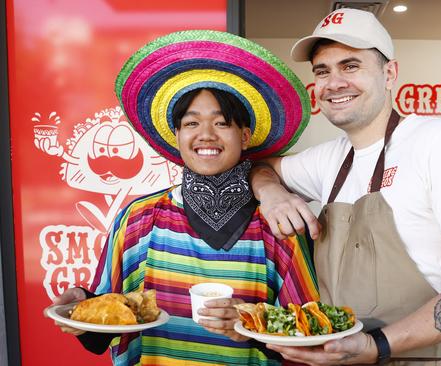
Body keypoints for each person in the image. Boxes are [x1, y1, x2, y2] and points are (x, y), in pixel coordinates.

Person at [249, 8, 441, 365]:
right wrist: (272, 193)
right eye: (322, 71)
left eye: (351, 66)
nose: (334, 83)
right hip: (337, 357)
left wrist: (376, 346)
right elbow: (259, 167)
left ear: (389, 73)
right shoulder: (329, 159)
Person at [48, 30, 319, 365]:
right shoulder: (138, 218)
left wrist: (251, 323)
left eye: (222, 123)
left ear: (245, 136)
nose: (205, 135)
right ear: (176, 136)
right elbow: (107, 321)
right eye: (191, 123)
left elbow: (310, 337)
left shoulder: (279, 223)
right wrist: (81, 304)